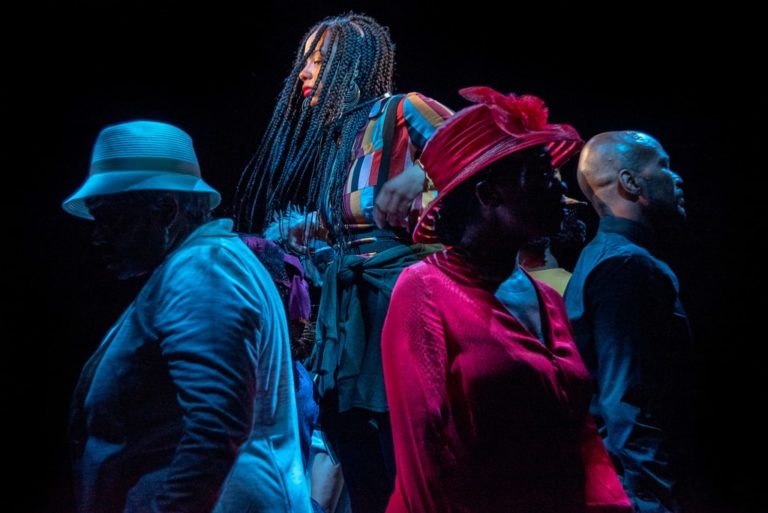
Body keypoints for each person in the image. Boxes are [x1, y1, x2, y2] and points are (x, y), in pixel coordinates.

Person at [234, 13, 452, 513]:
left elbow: (474, 145)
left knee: (406, 442)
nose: (303, 74)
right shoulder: (341, 143)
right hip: (351, 309)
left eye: (317, 60)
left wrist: (418, 175)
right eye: (302, 62)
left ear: (352, 66)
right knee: (349, 441)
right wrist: (309, 228)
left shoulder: (401, 110)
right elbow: (354, 215)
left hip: (403, 294)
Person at [382, 86, 630, 513]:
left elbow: (581, 438)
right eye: (540, 175)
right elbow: (424, 459)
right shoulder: (423, 290)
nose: (558, 188)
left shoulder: (545, 299)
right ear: (488, 194)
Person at [63, 120, 311, 513]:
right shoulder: (208, 263)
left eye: (111, 218)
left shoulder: (203, 270)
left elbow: (214, 429)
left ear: (166, 210)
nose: (97, 236)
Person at [564, 131, 693, 512]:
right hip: (636, 490)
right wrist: (654, 501)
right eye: (664, 167)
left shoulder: (603, 257)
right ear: (631, 182)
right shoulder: (625, 265)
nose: (677, 178)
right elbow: (626, 399)